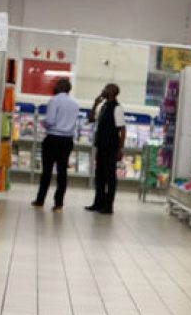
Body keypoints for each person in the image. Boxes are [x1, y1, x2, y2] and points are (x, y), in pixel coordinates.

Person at [31, 78, 80, 211]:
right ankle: (59, 204)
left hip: (53, 138)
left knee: (46, 171)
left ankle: (40, 200)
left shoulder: (54, 100)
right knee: (62, 172)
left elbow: (50, 120)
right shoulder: (75, 104)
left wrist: (43, 123)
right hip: (67, 140)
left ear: (58, 87)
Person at [86, 83, 126, 215]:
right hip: (101, 146)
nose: (103, 90)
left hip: (111, 148)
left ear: (113, 92)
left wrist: (120, 149)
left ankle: (108, 206)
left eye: (106, 88)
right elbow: (91, 119)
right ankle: (98, 203)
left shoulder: (117, 108)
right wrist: (95, 104)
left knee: (110, 178)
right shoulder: (103, 106)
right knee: (100, 177)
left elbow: (122, 130)